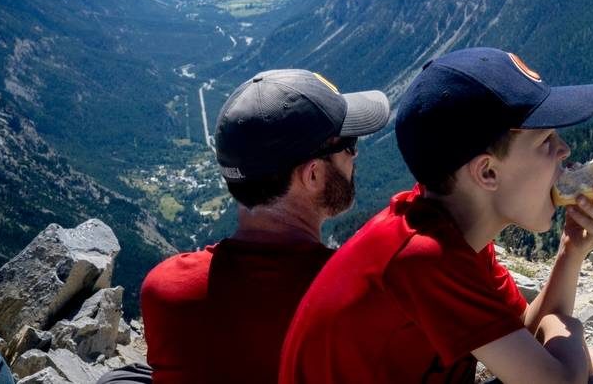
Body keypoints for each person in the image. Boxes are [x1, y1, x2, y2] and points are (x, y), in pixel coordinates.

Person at [279, 47, 593, 383]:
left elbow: (523, 331)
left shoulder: (449, 231)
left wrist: (572, 250)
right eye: (545, 141)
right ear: (487, 173)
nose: (564, 149)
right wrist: (566, 323)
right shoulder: (424, 257)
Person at [109, 69, 389, 384]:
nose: (355, 155)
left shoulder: (166, 290)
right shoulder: (358, 297)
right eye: (348, 145)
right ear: (311, 175)